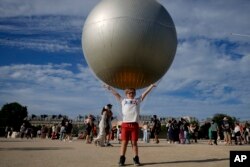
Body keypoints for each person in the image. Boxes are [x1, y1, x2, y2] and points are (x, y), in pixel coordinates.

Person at [105, 84, 156, 166]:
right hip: (125, 125)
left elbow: (145, 93)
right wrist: (110, 88)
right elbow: (116, 94)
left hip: (134, 125)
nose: (131, 94)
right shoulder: (123, 100)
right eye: (129, 93)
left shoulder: (137, 100)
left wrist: (151, 86)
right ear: (126, 94)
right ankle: (122, 159)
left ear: (135, 94)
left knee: (134, 143)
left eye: (132, 92)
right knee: (124, 143)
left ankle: (136, 159)